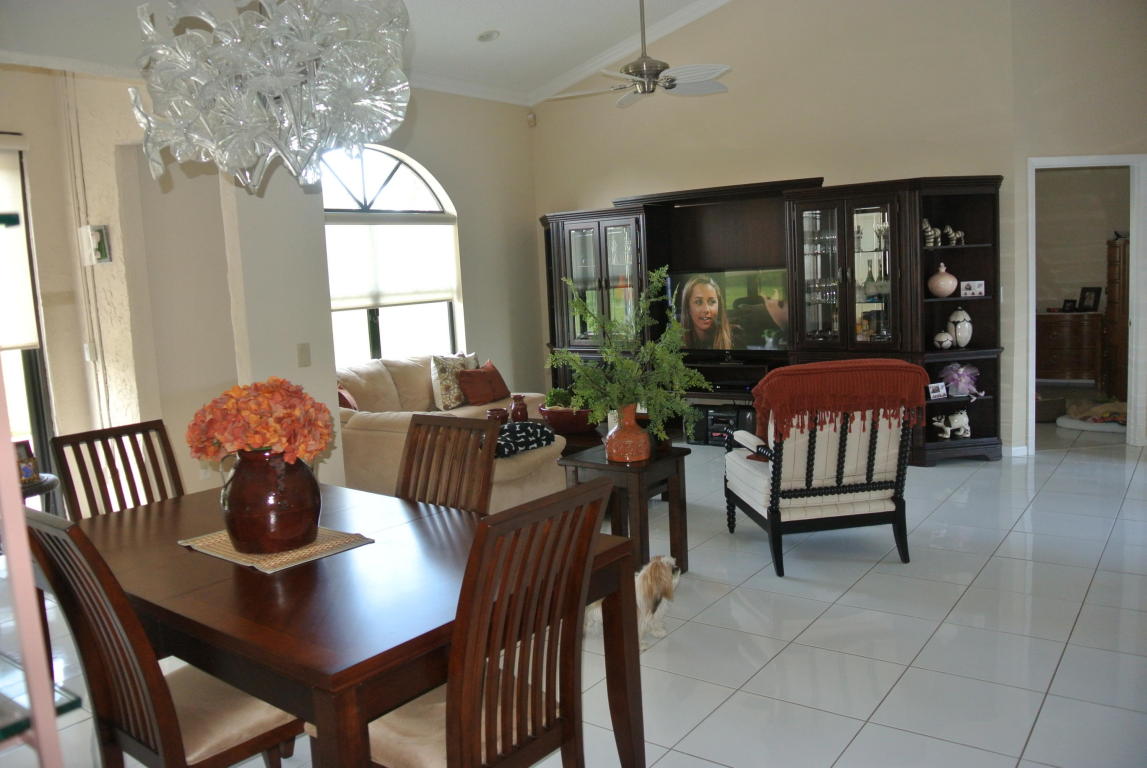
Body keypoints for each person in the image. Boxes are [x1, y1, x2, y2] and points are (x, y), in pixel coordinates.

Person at [679, 275, 734, 349]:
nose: (706, 310)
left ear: (719, 306)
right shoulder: (673, 343)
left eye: (712, 302)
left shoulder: (735, 338)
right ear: (688, 307)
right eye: (698, 302)